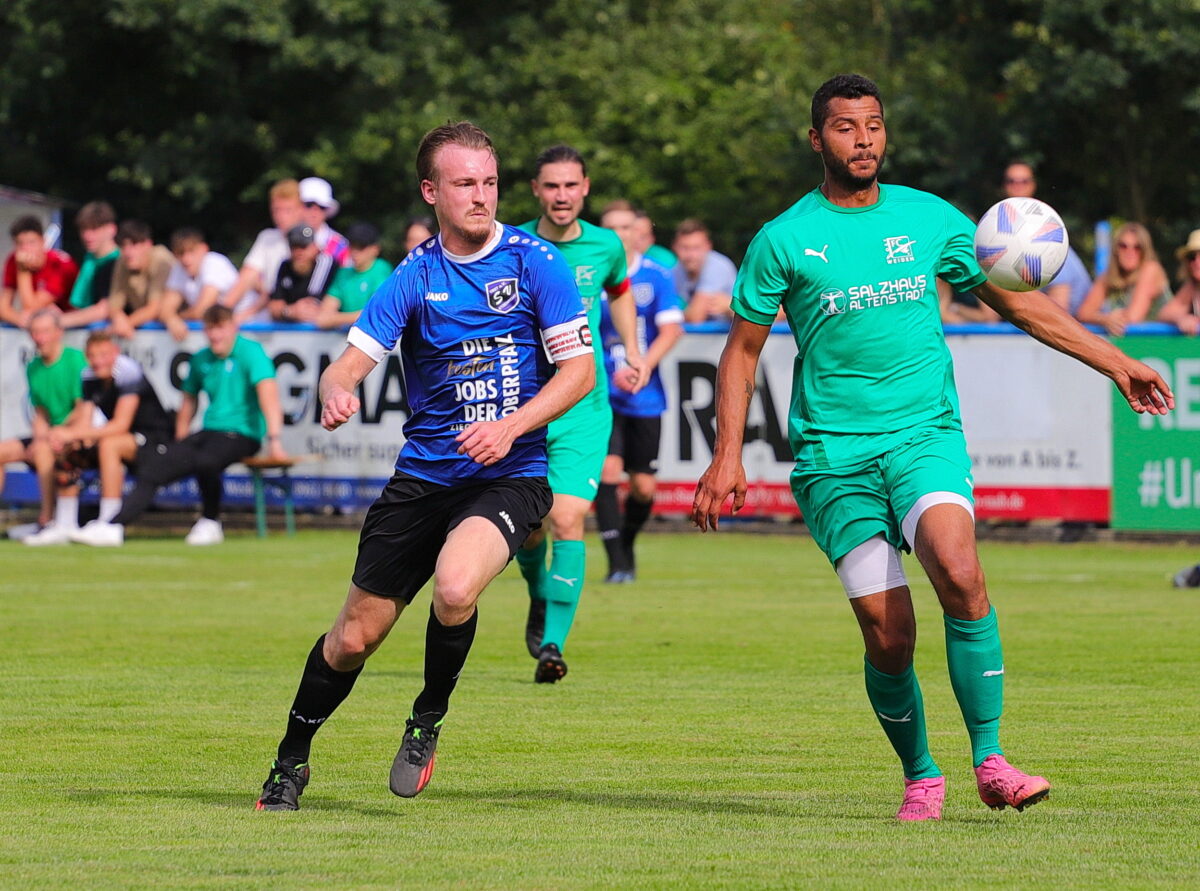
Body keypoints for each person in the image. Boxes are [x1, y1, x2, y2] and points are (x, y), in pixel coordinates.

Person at [691, 74, 1173, 823]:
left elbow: (1022, 306)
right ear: (817, 139)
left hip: (924, 436)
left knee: (960, 570)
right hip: (834, 459)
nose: (864, 140)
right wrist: (728, 454)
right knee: (890, 635)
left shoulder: (930, 219)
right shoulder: (783, 238)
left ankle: (992, 760)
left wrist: (1117, 362)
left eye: (874, 125)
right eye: (846, 127)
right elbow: (741, 353)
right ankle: (921, 774)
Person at [254, 121, 594, 811]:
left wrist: (511, 426)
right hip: (423, 478)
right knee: (352, 639)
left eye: (490, 182)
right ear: (431, 191)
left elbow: (580, 372)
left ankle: (425, 719)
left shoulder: (536, 263)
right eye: (466, 183)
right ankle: (290, 762)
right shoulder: (413, 275)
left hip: (509, 472)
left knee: (456, 586)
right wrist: (336, 390)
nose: (482, 195)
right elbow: (345, 364)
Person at [515, 144, 646, 683]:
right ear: (536, 191)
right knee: (528, 530)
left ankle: (553, 646)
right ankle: (539, 593)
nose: (562, 195)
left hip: (583, 407)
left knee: (567, 518)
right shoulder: (514, 245)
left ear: (585, 188)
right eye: (552, 185)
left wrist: (632, 349)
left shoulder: (606, 244)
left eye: (571, 185)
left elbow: (620, 293)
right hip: (523, 408)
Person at [71, 305, 286, 547]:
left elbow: (268, 396)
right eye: (210, 329)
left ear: (233, 327)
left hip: (244, 433)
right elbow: (188, 401)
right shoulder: (201, 359)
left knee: (207, 461)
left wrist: (274, 440)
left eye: (221, 328)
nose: (215, 335)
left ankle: (210, 521)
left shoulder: (251, 353)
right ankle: (113, 526)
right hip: (210, 431)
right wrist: (181, 438)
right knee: (154, 468)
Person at [595, 201, 684, 582]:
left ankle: (627, 543)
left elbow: (672, 329)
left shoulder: (655, 276)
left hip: (645, 397)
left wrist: (642, 365)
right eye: (610, 228)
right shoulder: (590, 277)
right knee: (607, 470)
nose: (618, 235)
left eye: (625, 227)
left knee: (644, 488)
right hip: (601, 394)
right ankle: (616, 562)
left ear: (638, 232)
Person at [45, 331, 174, 526]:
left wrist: (72, 433)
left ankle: (109, 522)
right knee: (68, 447)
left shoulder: (129, 372)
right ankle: (64, 523)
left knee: (109, 444)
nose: (98, 361)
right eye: (92, 356)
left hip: (155, 440)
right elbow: (85, 421)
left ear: (115, 352)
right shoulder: (88, 374)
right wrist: (64, 437)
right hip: (125, 438)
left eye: (103, 355)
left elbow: (121, 425)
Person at [10, 310, 89, 545]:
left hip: (77, 432)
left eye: (44, 331)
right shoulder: (33, 367)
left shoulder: (75, 360)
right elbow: (41, 413)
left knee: (44, 450)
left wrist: (52, 436)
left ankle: (47, 518)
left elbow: (83, 409)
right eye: (34, 332)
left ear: (58, 333)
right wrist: (39, 437)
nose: (39, 337)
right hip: (51, 434)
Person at [1001, 162, 1092, 315]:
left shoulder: (1045, 233)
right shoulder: (998, 234)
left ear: (1033, 185)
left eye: (1024, 181)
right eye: (1011, 181)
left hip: (1076, 323)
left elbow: (1059, 311)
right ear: (1004, 186)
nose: (1018, 186)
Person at [224, 179, 306, 323]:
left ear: (301, 209)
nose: (280, 217)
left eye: (287, 210)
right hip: (271, 317)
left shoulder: (312, 242)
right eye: (276, 210)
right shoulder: (268, 238)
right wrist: (223, 311)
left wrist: (246, 314)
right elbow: (247, 277)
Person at [1075, 222, 1171, 335]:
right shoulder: (1109, 276)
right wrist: (1105, 319)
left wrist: (1106, 319)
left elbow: (1134, 317)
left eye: (1137, 247)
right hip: (1131, 341)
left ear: (1144, 251)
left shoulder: (1151, 269)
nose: (1129, 252)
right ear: (1116, 249)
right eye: (1123, 246)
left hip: (1163, 340)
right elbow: (1083, 313)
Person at [159, 228, 239, 342]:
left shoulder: (215, 262)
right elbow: (165, 309)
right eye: (181, 253)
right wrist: (171, 320)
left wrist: (177, 318)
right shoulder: (179, 268)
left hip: (248, 324)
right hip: (220, 329)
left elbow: (203, 311)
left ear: (204, 249)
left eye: (191, 251)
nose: (186, 259)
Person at [0, 215, 78, 327]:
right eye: (20, 244)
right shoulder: (13, 260)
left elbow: (31, 307)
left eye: (31, 242)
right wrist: (20, 320)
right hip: (39, 323)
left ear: (43, 241)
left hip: (72, 325)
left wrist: (23, 270)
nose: (26, 249)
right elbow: (3, 308)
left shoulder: (60, 264)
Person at [107, 220, 176, 339]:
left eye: (134, 244)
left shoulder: (161, 260)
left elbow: (155, 308)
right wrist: (118, 318)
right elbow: (114, 304)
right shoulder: (122, 261)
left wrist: (125, 324)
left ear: (148, 244)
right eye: (123, 246)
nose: (128, 252)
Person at [317, 222, 391, 329]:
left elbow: (376, 313)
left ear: (375, 249)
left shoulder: (382, 269)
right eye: (352, 246)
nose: (355, 252)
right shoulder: (344, 273)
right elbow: (325, 314)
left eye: (361, 247)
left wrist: (334, 319)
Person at [62, 201, 119, 329]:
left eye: (94, 229)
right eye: (83, 229)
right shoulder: (90, 260)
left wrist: (56, 322)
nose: (87, 236)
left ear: (111, 229)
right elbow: (78, 306)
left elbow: (104, 309)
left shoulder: (119, 263)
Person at [673, 218, 738, 323]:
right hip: (705, 332)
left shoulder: (717, 267)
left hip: (728, 330)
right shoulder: (676, 270)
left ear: (708, 246)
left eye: (696, 248)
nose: (691, 255)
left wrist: (671, 315)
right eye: (685, 248)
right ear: (675, 247)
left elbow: (696, 317)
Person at [270, 224, 337, 323]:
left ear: (315, 248)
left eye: (303, 247)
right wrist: (290, 311)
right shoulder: (285, 266)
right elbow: (274, 306)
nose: (299, 252)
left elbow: (314, 306)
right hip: (292, 327)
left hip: (323, 328)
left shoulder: (326, 264)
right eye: (294, 247)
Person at [1156, 229, 1200, 336]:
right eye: (1192, 257)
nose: (1197, 262)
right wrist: (1181, 318)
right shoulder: (1192, 287)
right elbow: (1164, 314)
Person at [299, 176, 350, 266]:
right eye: (309, 205)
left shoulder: (339, 245)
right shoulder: (282, 238)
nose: (314, 211)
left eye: (322, 207)